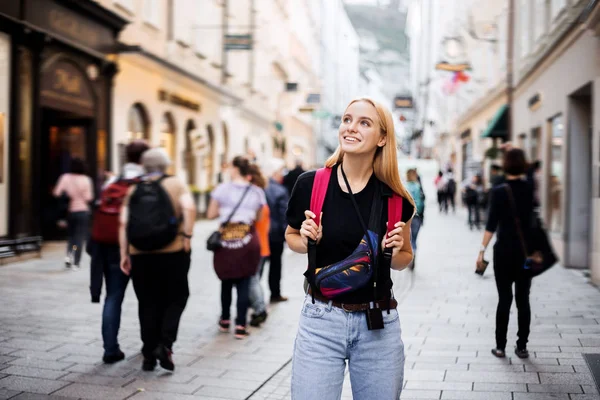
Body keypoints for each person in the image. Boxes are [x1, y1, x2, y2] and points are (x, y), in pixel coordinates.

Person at [285, 97, 415, 399]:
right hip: (320, 321)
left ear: (382, 138)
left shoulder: (396, 200)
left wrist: (394, 252)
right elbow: (290, 237)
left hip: (378, 326)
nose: (351, 127)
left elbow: (404, 258)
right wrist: (304, 239)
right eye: (346, 120)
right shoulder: (310, 185)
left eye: (364, 122)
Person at [119, 148, 196, 372]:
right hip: (172, 251)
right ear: (166, 165)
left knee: (147, 301)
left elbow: (123, 223)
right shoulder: (176, 184)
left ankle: (148, 354)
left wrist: (124, 253)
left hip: (140, 253)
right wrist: (187, 236)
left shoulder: (134, 189)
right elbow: (189, 207)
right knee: (177, 296)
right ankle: (166, 343)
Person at [90, 140, 149, 364]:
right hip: (137, 247)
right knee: (146, 298)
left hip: (108, 247)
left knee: (113, 296)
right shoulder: (145, 182)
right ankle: (148, 345)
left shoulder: (112, 181)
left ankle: (110, 349)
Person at [477, 148, 535, 359]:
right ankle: (522, 346)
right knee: (523, 300)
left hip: (503, 253)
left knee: (504, 299)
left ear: (505, 165)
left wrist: (481, 250)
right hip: (525, 254)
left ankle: (500, 346)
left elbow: (491, 225)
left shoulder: (500, 191)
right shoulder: (530, 188)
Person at [207, 156, 267, 339]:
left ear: (234, 169)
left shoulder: (222, 190)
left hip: (226, 240)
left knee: (226, 281)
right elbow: (258, 217)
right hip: (248, 239)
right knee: (244, 281)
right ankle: (241, 325)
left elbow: (210, 214)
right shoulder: (257, 191)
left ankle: (225, 320)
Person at [53, 158, 94, 270]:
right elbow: (89, 198)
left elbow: (56, 193)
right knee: (78, 238)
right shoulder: (86, 179)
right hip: (82, 212)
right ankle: (75, 262)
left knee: (71, 237)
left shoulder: (65, 177)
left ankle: (69, 257)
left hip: (69, 212)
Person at [263, 158, 290, 303]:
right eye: (280, 171)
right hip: (276, 234)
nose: (282, 174)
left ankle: (251, 296)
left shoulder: (259, 187)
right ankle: (275, 293)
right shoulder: (280, 190)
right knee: (275, 265)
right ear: (274, 172)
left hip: (261, 232)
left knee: (258, 267)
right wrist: (287, 234)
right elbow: (284, 214)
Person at [246, 163, 270, 327]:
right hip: (262, 244)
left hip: (255, 245)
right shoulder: (261, 195)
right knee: (254, 278)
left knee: (252, 279)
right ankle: (256, 305)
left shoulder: (254, 197)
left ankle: (260, 309)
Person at [405, 168, 424, 270]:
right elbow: (420, 203)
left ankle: (409, 257)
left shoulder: (405, 187)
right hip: (417, 217)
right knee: (414, 239)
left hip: (407, 218)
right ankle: (414, 253)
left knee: (408, 239)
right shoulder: (417, 186)